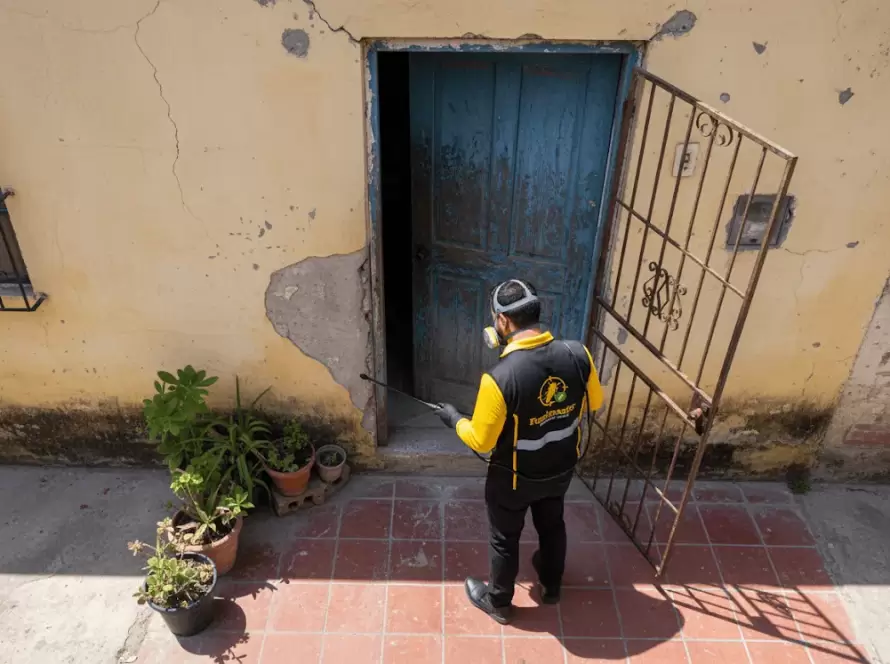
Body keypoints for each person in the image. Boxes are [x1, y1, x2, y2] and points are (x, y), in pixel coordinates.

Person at [436, 279, 604, 624]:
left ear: (502, 321)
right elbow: (595, 403)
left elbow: (481, 442)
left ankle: (498, 602)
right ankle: (551, 585)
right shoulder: (578, 354)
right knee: (552, 524)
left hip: (513, 478)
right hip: (560, 468)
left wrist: (454, 419)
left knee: (504, 537)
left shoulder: (500, 378)